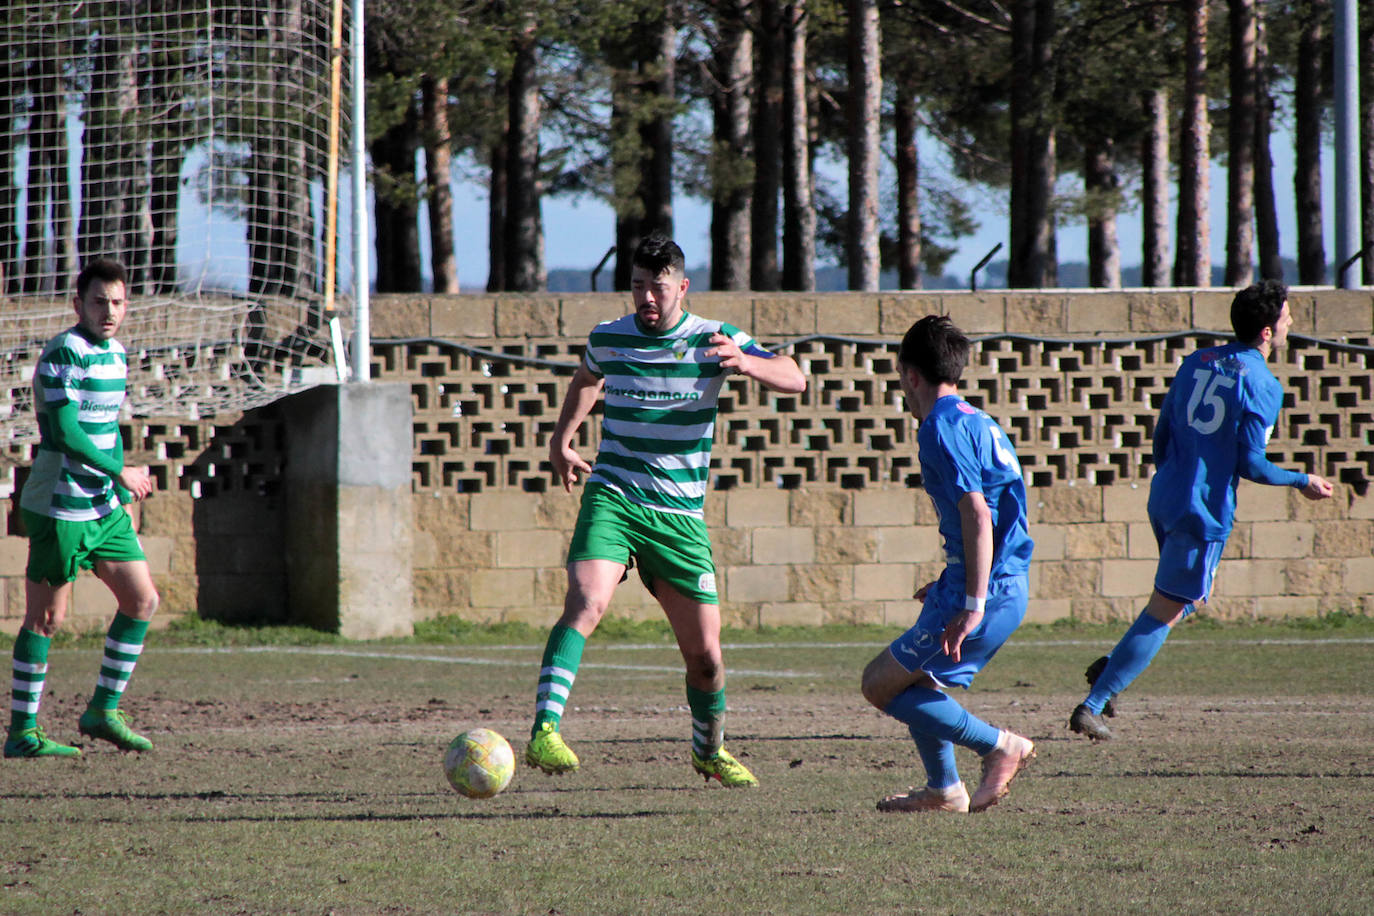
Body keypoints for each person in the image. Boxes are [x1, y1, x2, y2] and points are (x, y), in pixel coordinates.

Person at [523, 232, 806, 787]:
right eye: (636, 287)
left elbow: (795, 377)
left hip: (679, 517)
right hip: (615, 495)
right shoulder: (610, 337)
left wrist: (746, 361)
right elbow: (586, 378)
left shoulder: (716, 337)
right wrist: (562, 439)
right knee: (585, 601)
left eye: (657, 288)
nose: (646, 299)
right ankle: (545, 730)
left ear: (682, 287)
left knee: (706, 658)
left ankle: (707, 751)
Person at [1069, 280, 1334, 741]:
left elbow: (1162, 431)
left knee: (1178, 600)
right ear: (1268, 333)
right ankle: (1094, 703)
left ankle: (1111, 667)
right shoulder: (1262, 384)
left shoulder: (1196, 361)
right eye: (1288, 316)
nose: (1291, 322)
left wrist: (1174, 477)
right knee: (1166, 611)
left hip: (1167, 493)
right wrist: (1301, 480)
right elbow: (1251, 463)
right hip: (1202, 509)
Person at [860, 315, 1036, 814]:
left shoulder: (940, 427)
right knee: (919, 681)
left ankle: (1000, 747)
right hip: (993, 582)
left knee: (879, 684)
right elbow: (998, 516)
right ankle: (943, 790)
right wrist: (950, 581)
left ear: (910, 375)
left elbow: (978, 514)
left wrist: (971, 602)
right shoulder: (979, 420)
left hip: (985, 591)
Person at [5, 258, 160, 759]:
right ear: (78, 304)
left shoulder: (116, 354)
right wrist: (121, 474)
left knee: (142, 600)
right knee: (47, 619)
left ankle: (102, 711)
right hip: (59, 504)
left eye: (117, 302)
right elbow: (68, 434)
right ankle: (23, 733)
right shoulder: (63, 353)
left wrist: (117, 487)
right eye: (98, 301)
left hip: (102, 505)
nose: (108, 311)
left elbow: (106, 429)